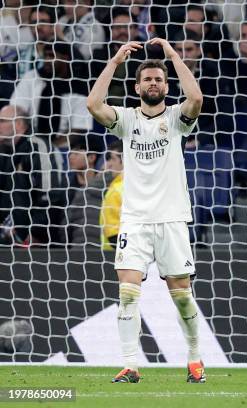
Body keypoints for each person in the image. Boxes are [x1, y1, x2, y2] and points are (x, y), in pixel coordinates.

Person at [86, 39, 205, 383]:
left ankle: (195, 358)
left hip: (171, 218)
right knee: (127, 290)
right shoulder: (125, 119)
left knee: (181, 296)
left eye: (159, 79)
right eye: (147, 80)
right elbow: (94, 103)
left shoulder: (177, 119)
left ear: (167, 86)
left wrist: (172, 56)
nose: (154, 83)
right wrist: (115, 61)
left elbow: (196, 99)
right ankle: (129, 364)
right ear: (137, 87)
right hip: (135, 219)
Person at [0, 105, 65, 245]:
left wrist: (35, 233)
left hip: (37, 241)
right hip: (10, 236)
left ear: (18, 123)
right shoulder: (6, 151)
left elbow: (51, 196)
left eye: (2, 121)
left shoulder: (39, 146)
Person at [100, 141, 124, 250]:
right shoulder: (145, 185)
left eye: (112, 159)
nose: (108, 164)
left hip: (114, 258)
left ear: (125, 160)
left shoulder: (116, 190)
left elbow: (113, 234)